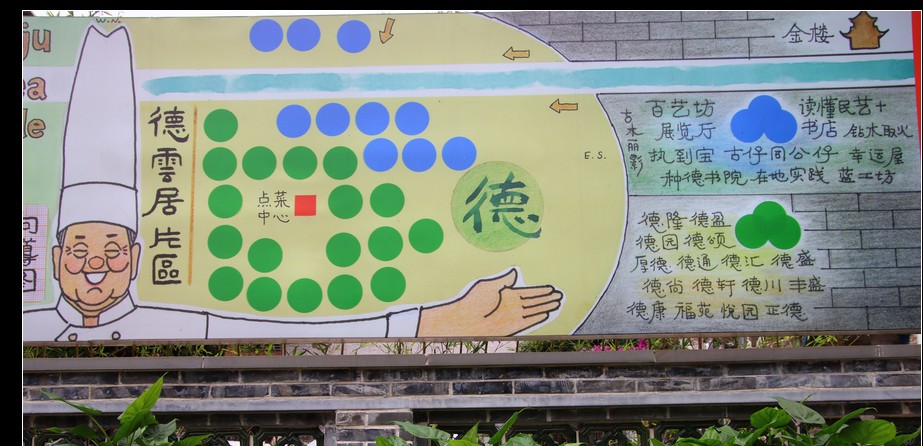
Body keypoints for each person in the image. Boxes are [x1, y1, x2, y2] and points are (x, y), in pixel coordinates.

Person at [23, 23, 562, 343]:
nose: (95, 267)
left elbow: (296, 328)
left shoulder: (169, 319)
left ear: (138, 255)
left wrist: (439, 320)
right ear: (54, 257)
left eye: (113, 250)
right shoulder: (34, 319)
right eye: (80, 252)